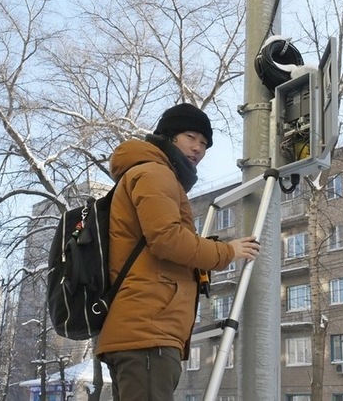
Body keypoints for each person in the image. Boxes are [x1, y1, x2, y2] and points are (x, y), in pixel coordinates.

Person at [96, 103, 261, 401]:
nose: (198, 148)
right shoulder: (155, 173)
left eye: (204, 143)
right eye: (190, 137)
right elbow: (166, 239)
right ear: (170, 136)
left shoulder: (153, 174)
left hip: (143, 330)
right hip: (147, 332)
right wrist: (227, 251)